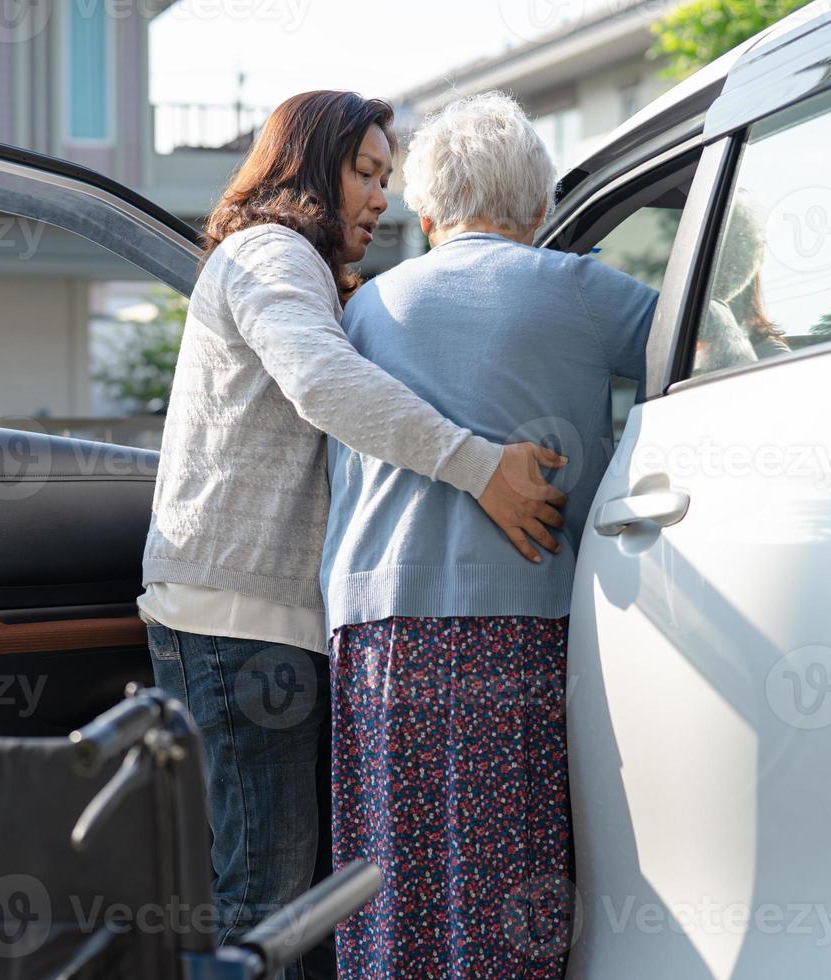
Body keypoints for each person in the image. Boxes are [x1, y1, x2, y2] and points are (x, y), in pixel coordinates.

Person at [138, 90, 568, 980]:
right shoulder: (270, 253)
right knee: (268, 906)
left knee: (298, 909)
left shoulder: (306, 273)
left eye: (386, 175)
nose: (382, 197)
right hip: (239, 626)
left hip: (264, 624)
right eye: (364, 173)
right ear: (308, 168)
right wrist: (479, 465)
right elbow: (323, 384)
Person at [319, 91, 660, 978]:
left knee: (391, 882)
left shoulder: (366, 310)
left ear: (427, 215)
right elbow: (708, 338)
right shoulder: (580, 289)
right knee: (514, 888)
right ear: (542, 209)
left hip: (378, 630)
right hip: (521, 623)